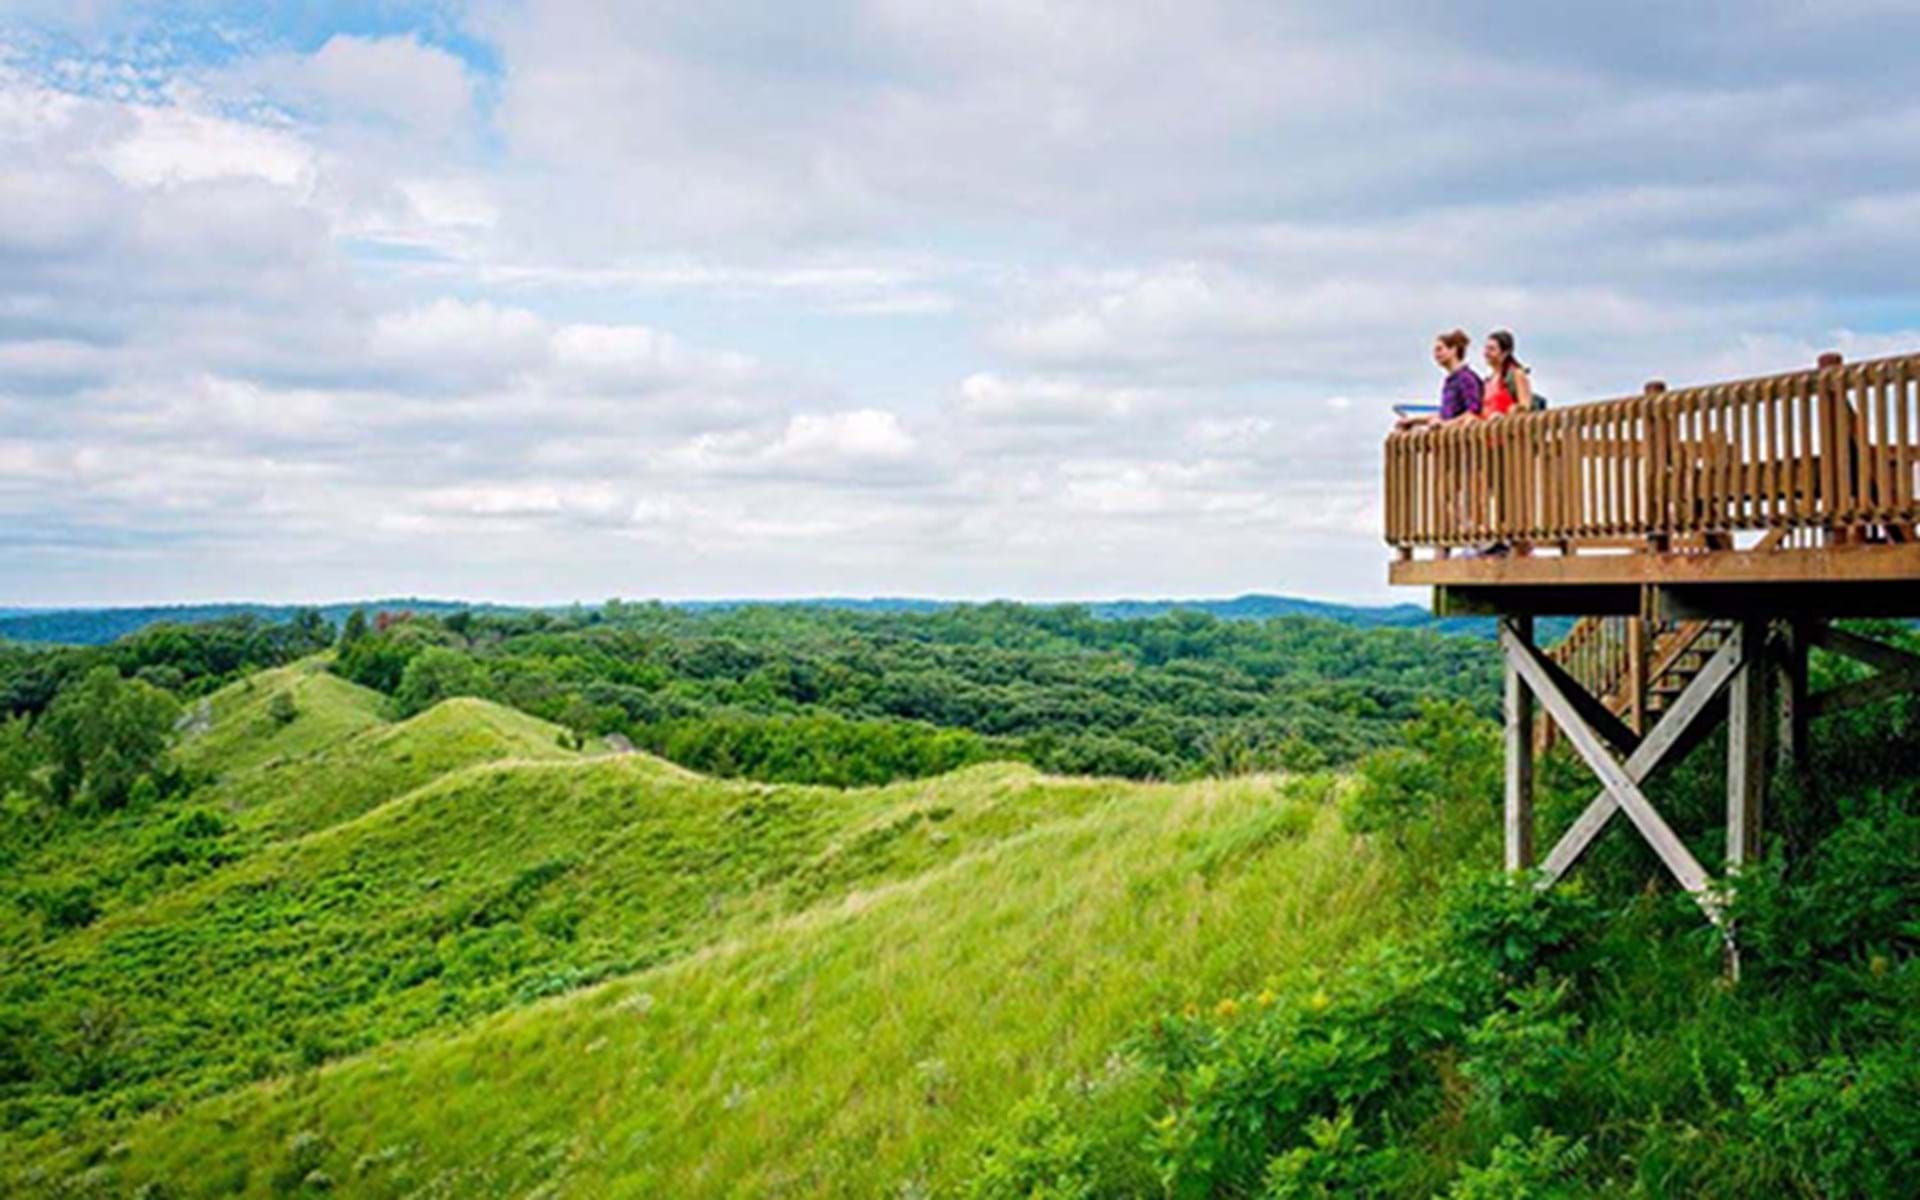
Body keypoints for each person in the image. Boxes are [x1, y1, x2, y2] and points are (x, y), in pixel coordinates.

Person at [1396, 329, 1482, 429]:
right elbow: (1445, 414)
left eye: (1439, 349)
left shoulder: (1466, 378)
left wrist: (1445, 425)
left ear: (1453, 350)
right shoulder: (1450, 381)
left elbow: (1473, 412)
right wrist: (1413, 420)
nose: (1436, 355)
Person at [1481, 329, 1532, 417]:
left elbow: (1525, 407)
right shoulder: (1487, 381)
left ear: (1505, 353)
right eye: (1486, 348)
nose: (1486, 353)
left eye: (1492, 349)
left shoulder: (1516, 374)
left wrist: (1509, 412)